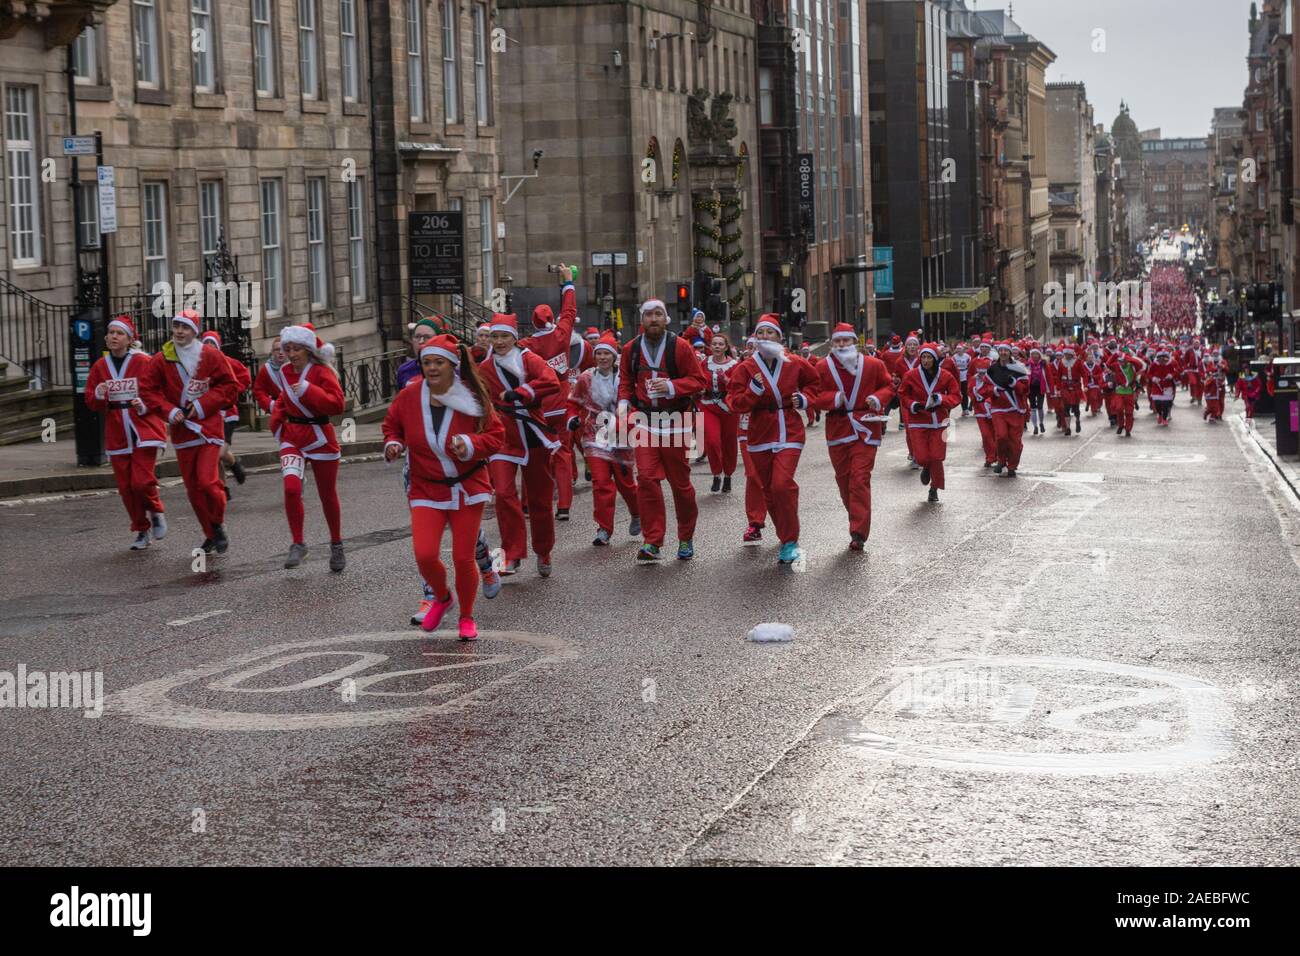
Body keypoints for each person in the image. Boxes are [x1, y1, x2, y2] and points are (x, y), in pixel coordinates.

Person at [383, 334, 505, 641]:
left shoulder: (472, 399)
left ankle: (466, 616)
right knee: (424, 554)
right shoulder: (410, 396)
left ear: (452, 365)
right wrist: (394, 443)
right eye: (427, 362)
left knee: (463, 557)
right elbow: (392, 424)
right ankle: (443, 597)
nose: (432, 368)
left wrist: (469, 444)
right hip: (426, 487)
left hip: (467, 487)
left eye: (438, 362)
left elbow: (496, 436)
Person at [141, 309, 239, 554]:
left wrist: (201, 405)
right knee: (194, 490)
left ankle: (217, 523)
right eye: (176, 326)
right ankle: (209, 534)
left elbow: (230, 386)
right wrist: (168, 411)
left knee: (208, 482)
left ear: (194, 331)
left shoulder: (210, 355)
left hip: (208, 428)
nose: (179, 332)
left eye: (184, 327)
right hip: (182, 431)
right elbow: (147, 390)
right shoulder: (162, 358)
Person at [618, 298, 707, 563]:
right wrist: (623, 404)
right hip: (644, 420)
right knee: (645, 479)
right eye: (648, 315)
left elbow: (698, 380)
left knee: (680, 484)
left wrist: (671, 387)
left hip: (676, 421)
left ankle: (685, 537)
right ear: (641, 320)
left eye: (658, 314)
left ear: (665, 318)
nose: (653, 319)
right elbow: (625, 379)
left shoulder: (680, 347)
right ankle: (652, 541)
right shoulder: (631, 349)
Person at [726, 314, 819, 563]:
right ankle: (784, 534)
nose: (765, 337)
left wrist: (806, 398)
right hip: (759, 434)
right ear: (754, 338)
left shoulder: (794, 363)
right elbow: (734, 403)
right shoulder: (745, 368)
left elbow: (815, 383)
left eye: (770, 333)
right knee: (769, 490)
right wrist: (752, 392)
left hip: (789, 429)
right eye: (760, 333)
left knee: (781, 484)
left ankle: (790, 540)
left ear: (780, 337)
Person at [480, 311, 562, 576]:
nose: (500, 341)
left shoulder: (530, 359)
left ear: (514, 339)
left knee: (539, 499)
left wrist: (521, 393)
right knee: (503, 494)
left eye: (505, 336)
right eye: (495, 336)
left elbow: (551, 382)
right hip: (503, 437)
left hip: (532, 433)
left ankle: (543, 549)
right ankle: (512, 554)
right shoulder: (484, 368)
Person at [84, 315, 168, 549]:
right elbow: (90, 399)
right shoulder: (100, 367)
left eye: (119, 333)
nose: (113, 337)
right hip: (117, 430)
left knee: (141, 482)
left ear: (129, 339)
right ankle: (141, 530)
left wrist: (144, 404)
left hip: (143, 427)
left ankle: (156, 511)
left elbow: (159, 391)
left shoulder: (144, 361)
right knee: (126, 487)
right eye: (111, 332)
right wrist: (99, 394)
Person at [813, 323, 895, 550]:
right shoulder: (822, 367)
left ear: (854, 342)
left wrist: (878, 399)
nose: (841, 345)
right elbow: (814, 396)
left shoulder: (874, 364)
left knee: (859, 479)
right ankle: (857, 515)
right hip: (838, 429)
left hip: (865, 428)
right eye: (837, 341)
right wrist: (833, 398)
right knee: (844, 481)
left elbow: (888, 386)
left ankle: (858, 532)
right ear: (832, 343)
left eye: (845, 341)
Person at [272, 325, 347, 571]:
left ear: (307, 350)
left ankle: (336, 544)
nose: (291, 354)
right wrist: (277, 425)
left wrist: (309, 390)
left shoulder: (321, 372)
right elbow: (283, 400)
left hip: (320, 437)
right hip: (293, 437)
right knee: (291, 488)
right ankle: (298, 543)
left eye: (296, 349)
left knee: (327, 495)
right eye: (288, 349)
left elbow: (337, 405)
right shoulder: (283, 371)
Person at [517, 266, 579, 521]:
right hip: (563, 399)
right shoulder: (562, 333)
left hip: (541, 404)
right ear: (551, 319)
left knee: (534, 455)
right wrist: (568, 282)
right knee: (563, 453)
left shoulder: (528, 345)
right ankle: (563, 505)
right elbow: (570, 310)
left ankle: (528, 504)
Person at [566, 332, 641, 545]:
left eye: (606, 354)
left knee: (626, 484)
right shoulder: (586, 378)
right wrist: (572, 418)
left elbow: (635, 407)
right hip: (594, 436)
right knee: (600, 483)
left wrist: (624, 424)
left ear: (614, 357)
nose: (602, 357)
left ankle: (637, 514)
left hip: (622, 437)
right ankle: (604, 529)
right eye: (598, 353)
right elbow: (574, 402)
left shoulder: (626, 380)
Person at [898, 342, 961, 503]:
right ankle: (925, 467)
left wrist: (941, 399)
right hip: (918, 421)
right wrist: (914, 405)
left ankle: (934, 488)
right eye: (923, 357)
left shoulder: (946, 375)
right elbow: (903, 395)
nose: (926, 360)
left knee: (937, 457)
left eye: (929, 357)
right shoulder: (911, 375)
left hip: (939, 421)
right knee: (921, 457)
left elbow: (956, 396)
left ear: (934, 359)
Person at [199, 330, 251, 495]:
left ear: (218, 347)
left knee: (217, 453)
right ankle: (222, 488)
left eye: (212, 345)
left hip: (228, 415)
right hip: (209, 416)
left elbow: (245, 377)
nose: (209, 348)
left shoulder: (227, 362)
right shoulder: (198, 366)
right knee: (215, 454)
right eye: (205, 344)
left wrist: (232, 393)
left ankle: (234, 465)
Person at [699, 332, 739, 493]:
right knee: (712, 441)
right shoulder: (703, 363)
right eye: (714, 344)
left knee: (729, 444)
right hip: (708, 405)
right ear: (710, 346)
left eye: (720, 344)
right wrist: (699, 388)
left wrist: (727, 381)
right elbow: (697, 379)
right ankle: (716, 474)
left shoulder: (734, 365)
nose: (717, 346)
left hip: (728, 408)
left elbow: (738, 387)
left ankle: (728, 475)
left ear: (726, 347)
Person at [985, 344, 1030, 475]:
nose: (1003, 353)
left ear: (1010, 353)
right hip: (998, 408)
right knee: (1001, 436)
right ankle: (1001, 460)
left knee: (1015, 441)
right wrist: (993, 390)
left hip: (1016, 409)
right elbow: (984, 388)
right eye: (1001, 351)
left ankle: (1012, 466)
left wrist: (1014, 383)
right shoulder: (993, 369)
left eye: (1006, 351)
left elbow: (1025, 389)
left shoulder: (1019, 368)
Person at [1108, 347, 1147, 437]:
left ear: (1126, 360)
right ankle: (1121, 425)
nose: (1120, 362)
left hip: (1129, 392)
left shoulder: (1132, 366)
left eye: (1122, 360)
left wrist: (1129, 358)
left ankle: (1128, 429)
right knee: (1119, 409)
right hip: (1119, 391)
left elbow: (1141, 365)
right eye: (1119, 360)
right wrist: (1115, 354)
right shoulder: (1116, 366)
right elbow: (1108, 364)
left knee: (1129, 412)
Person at [1145, 346, 1179, 427]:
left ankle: (1164, 418)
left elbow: (1174, 372)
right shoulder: (1154, 364)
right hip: (1157, 385)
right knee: (1157, 403)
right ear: (1158, 358)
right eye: (1161, 358)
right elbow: (1149, 374)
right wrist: (1153, 378)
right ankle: (1159, 414)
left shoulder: (1169, 364)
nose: (1163, 360)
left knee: (1166, 404)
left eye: (1165, 358)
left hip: (1167, 386)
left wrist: (1171, 375)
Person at [1055, 346, 1085, 436]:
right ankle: (1068, 428)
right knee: (1066, 407)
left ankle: (1077, 420)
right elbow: (1058, 376)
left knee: (1076, 408)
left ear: (1072, 354)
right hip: (1065, 387)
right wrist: (1058, 388)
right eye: (1065, 354)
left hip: (1075, 387)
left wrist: (1086, 385)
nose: (1066, 356)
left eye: (1068, 354)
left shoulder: (1078, 362)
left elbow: (1084, 374)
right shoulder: (1061, 363)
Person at [1202, 349, 1227, 422]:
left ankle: (1219, 414)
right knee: (1213, 401)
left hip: (1221, 383)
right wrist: (1215, 369)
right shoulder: (1210, 362)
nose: (1215, 355)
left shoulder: (1223, 361)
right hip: (1212, 384)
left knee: (1221, 400)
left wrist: (1222, 366)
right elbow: (1208, 371)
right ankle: (1211, 413)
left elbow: (1227, 369)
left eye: (1217, 354)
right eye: (1214, 354)